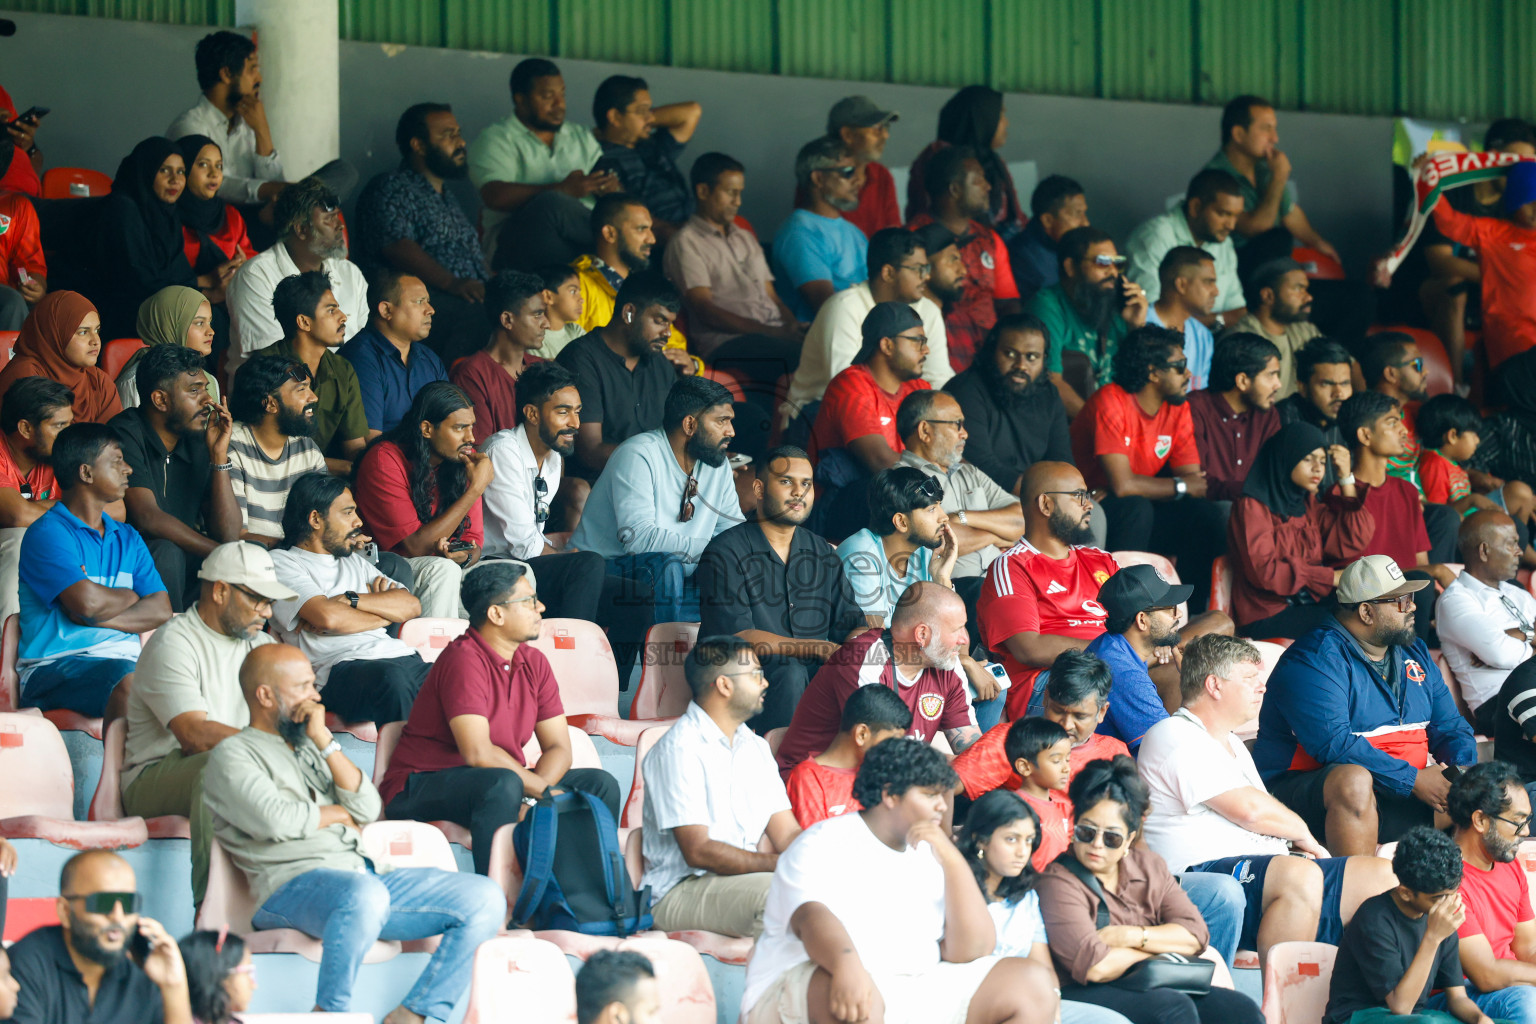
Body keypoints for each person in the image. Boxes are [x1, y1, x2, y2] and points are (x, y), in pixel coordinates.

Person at [201, 643, 504, 1018]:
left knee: (485, 897)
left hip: (364, 878)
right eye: (303, 687)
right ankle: (331, 1013)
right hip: (289, 889)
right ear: (264, 695)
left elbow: (367, 808)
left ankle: (416, 1011)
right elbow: (277, 821)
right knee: (364, 895)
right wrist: (337, 813)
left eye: (314, 685)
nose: (315, 697)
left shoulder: (311, 746)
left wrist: (325, 742)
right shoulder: (233, 754)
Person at [745, 736, 1058, 1024]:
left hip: (909, 986)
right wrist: (846, 966)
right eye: (930, 794)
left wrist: (951, 858)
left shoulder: (931, 854)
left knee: (1032, 985)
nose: (942, 805)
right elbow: (809, 917)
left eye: (942, 795)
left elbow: (972, 949)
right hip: (813, 984)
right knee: (860, 999)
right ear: (890, 795)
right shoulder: (822, 842)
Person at [1140, 633, 1399, 963]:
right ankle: (1283, 991)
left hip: (1262, 873)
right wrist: (1304, 835)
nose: (1261, 687)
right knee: (1299, 875)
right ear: (1214, 685)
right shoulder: (1174, 734)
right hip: (1201, 880)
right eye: (1250, 678)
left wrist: (1295, 847)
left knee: (1383, 877)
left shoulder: (1233, 743)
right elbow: (1250, 810)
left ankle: (1351, 990)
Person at [381, 561, 621, 873]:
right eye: (529, 601)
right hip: (421, 784)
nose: (541, 608)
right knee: (502, 784)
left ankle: (585, 894)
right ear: (496, 614)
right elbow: (478, 753)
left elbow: (559, 747)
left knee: (599, 784)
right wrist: (541, 791)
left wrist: (535, 795)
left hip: (499, 781)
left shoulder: (534, 662)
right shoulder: (463, 660)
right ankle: (500, 895)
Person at [1254, 555, 1478, 855]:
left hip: (1392, 788)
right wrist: (1413, 779)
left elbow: (1449, 726)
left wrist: (1461, 773)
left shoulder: (1414, 651)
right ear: (1366, 612)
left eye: (1410, 599)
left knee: (1486, 794)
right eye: (1401, 602)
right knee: (1354, 781)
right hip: (1308, 794)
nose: (1412, 607)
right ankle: (1355, 881)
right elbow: (1333, 744)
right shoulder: (1313, 659)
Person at [120, 542, 290, 907]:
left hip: (239, 767)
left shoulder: (262, 645)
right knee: (220, 766)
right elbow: (194, 736)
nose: (267, 611)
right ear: (220, 590)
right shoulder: (174, 641)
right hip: (155, 776)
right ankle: (212, 911)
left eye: (270, 602)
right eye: (258, 599)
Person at [1035, 756, 1265, 1024]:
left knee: (1239, 1009)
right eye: (1087, 832)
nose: (1097, 844)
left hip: (1148, 979)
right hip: (1081, 989)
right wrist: (1161, 950)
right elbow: (1095, 966)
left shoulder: (1148, 867)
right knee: (1171, 1009)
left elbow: (1195, 935)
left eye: (1111, 838)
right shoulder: (1058, 881)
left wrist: (1129, 936)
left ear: (1129, 839)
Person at [696, 444, 870, 731]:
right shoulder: (725, 551)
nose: (798, 492)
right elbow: (738, 638)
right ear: (759, 489)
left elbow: (851, 622)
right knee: (789, 671)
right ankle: (785, 758)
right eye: (786, 481)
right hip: (738, 679)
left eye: (806, 484)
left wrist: (861, 645)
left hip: (807, 675)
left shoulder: (821, 552)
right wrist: (816, 647)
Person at [642, 636, 801, 937]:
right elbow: (699, 851)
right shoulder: (679, 749)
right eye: (756, 675)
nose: (765, 683)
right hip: (678, 891)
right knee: (785, 897)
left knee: (830, 887)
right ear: (725, 685)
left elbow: (788, 833)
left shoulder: (756, 747)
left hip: (740, 881)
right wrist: (779, 864)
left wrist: (818, 858)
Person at [17, 423, 171, 722]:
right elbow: (86, 603)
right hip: (55, 667)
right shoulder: (48, 533)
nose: (128, 469)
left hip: (125, 663)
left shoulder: (128, 537)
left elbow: (161, 609)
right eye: (117, 461)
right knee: (130, 683)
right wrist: (130, 596)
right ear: (86, 473)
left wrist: (100, 616)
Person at [1069, 325, 1224, 612]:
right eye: (1180, 366)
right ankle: (1122, 611)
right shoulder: (1111, 400)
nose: (1188, 374)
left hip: (1135, 502)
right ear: (1153, 372)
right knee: (1136, 508)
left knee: (1206, 516)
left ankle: (1189, 612)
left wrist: (1145, 486)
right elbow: (1124, 485)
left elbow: (1196, 483)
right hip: (1089, 504)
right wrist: (1176, 486)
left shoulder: (1177, 407)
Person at [569, 376, 736, 626]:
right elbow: (639, 539)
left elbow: (732, 532)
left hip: (677, 578)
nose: (731, 431)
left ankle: (717, 649)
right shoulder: (638, 454)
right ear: (690, 424)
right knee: (667, 566)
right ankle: (662, 649)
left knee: (744, 569)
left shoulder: (717, 464)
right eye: (722, 421)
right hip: (605, 572)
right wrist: (716, 552)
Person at [959, 790, 1135, 1024]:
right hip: (971, 1004)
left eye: (1029, 840)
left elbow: (1043, 967)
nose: (1022, 851)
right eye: (1011, 839)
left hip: (1033, 1003)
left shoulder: (1026, 897)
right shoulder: (955, 889)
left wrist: (1053, 1011)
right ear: (981, 839)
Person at [774, 581, 982, 775]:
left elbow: (972, 752)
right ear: (922, 635)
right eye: (956, 630)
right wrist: (949, 763)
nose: (965, 639)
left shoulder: (947, 664)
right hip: (814, 781)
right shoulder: (864, 661)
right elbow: (881, 762)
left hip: (887, 782)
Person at [270, 472, 427, 725]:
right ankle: (408, 753)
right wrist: (385, 615)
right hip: (340, 669)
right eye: (348, 512)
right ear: (315, 519)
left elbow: (411, 606)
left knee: (458, 676)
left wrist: (352, 599)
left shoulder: (353, 561)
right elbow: (328, 617)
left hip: (400, 657)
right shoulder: (282, 562)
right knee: (394, 681)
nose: (358, 521)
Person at [977, 460, 1122, 718]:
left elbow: (1138, 624)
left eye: (1088, 495)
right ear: (1045, 504)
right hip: (1048, 684)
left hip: (1111, 670)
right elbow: (1029, 648)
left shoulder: (1102, 561)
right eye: (1078, 496)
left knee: (1182, 669)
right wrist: (1116, 654)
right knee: (1126, 679)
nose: (1089, 505)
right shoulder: (1012, 566)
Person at [780, 227, 951, 436]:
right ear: (888, 273)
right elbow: (846, 386)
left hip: (896, 410)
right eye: (918, 269)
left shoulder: (928, 310)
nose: (927, 277)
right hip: (817, 414)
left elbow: (938, 378)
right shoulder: (844, 307)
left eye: (927, 268)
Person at [108, 345, 240, 611]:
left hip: (183, 562)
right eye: (194, 391)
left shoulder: (198, 438)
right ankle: (166, 636)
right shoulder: (125, 432)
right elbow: (147, 518)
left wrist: (218, 456)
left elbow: (228, 534)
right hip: (131, 563)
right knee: (167, 551)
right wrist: (220, 553)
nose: (207, 400)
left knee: (251, 557)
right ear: (160, 400)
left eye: (205, 389)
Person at [353, 102, 487, 364]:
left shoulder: (448, 196)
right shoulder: (391, 186)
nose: (460, 142)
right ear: (419, 145)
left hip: (468, 293)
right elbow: (397, 246)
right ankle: (450, 387)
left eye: (458, 134)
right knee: (479, 316)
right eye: (448, 135)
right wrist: (452, 283)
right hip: (426, 300)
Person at [478, 360, 611, 620]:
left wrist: (564, 555)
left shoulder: (553, 457)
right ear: (532, 414)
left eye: (578, 411)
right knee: (587, 565)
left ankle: (598, 649)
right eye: (563, 412)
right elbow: (523, 544)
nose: (575, 423)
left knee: (636, 594)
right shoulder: (502, 451)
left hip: (527, 563)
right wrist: (565, 558)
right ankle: (571, 644)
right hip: (495, 566)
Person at [166, 31, 354, 211]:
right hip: (220, 220)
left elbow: (275, 181)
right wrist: (277, 190)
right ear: (226, 74)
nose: (259, 78)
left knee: (344, 171)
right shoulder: (189, 127)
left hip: (263, 216)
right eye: (252, 69)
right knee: (303, 203)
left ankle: (306, 202)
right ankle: (307, 202)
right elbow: (216, 186)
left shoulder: (247, 123)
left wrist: (262, 131)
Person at [1323, 826, 1488, 1024]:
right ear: (1406, 893)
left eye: (1453, 893)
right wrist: (1433, 937)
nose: (1449, 903)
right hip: (1357, 1017)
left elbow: (1458, 998)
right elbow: (1401, 1006)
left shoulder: (1440, 916)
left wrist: (1479, 1018)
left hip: (1413, 1018)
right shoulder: (1374, 918)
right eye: (1440, 897)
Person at [5, 851, 192, 1024]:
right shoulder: (27, 964)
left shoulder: (139, 974)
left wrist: (174, 987)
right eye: (104, 903)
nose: (117, 917)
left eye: (128, 903)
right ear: (65, 911)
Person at [354, 381, 489, 620]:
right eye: (459, 428)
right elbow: (416, 547)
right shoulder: (384, 459)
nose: (470, 438)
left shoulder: (462, 463)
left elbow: (473, 542)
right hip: (385, 569)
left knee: (517, 572)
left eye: (471, 427)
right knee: (443, 570)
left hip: (442, 566)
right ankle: (434, 646)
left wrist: (465, 555)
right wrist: (475, 489)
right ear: (427, 429)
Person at [1227, 422, 1374, 638]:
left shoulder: (1307, 503)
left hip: (1307, 603)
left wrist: (1345, 478)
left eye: (1322, 461)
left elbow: (1354, 537)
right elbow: (1264, 572)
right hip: (1266, 615)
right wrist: (1329, 577)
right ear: (1286, 458)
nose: (1318, 468)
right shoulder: (1251, 506)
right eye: (1308, 459)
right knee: (1349, 625)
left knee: (1374, 610)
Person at [664, 151, 805, 377]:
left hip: (772, 332)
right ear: (703, 191)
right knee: (804, 358)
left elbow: (773, 297)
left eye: (740, 193)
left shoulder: (744, 236)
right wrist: (772, 332)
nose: (737, 202)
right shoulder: (686, 242)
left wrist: (792, 327)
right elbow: (705, 310)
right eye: (731, 193)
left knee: (829, 345)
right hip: (728, 343)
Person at [470, 58, 614, 270]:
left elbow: (606, 179)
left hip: (581, 246)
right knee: (552, 204)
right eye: (547, 96)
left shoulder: (580, 136)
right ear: (520, 99)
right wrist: (562, 189)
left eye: (562, 94)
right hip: (517, 248)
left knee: (623, 212)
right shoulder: (496, 139)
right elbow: (495, 196)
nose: (559, 104)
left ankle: (615, 251)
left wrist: (611, 190)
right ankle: (616, 244)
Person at [806, 302, 931, 540]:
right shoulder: (852, 384)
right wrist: (940, 482)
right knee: (889, 491)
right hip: (839, 505)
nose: (926, 350)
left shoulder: (917, 387)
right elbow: (879, 461)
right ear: (887, 345)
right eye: (918, 341)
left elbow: (943, 445)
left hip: (902, 497)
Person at [1336, 390, 1456, 636]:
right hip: (1369, 606)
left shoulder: (1407, 491)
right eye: (1392, 423)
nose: (1403, 431)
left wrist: (1432, 574)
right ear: (1365, 435)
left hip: (1411, 600)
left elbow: (1420, 564)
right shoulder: (1342, 496)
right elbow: (1358, 580)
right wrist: (1434, 572)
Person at [556, 270, 692, 477]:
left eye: (670, 324)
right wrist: (666, 461)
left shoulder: (659, 363)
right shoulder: (580, 359)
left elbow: (680, 433)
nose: (668, 333)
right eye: (660, 321)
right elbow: (590, 451)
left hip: (660, 478)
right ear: (629, 313)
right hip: (604, 482)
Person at [897, 388, 1025, 604]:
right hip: (954, 592)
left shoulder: (969, 472)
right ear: (925, 430)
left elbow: (1021, 519)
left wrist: (962, 517)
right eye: (957, 424)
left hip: (1003, 582)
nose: (964, 433)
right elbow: (940, 542)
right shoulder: (902, 478)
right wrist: (997, 536)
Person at [951, 648, 1131, 800]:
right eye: (1058, 711)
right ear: (1045, 698)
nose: (1067, 725)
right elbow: (946, 787)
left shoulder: (1115, 754)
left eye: (1080, 716)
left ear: (1102, 712)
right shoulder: (1009, 741)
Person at [228, 179, 367, 373]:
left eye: (337, 217)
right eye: (329, 219)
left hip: (345, 384)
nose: (340, 226)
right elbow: (274, 363)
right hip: (280, 386)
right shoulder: (256, 276)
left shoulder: (349, 273)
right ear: (301, 229)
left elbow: (364, 347)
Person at [908, 145, 1022, 371]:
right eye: (979, 180)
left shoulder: (990, 239)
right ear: (955, 189)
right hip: (939, 352)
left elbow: (1008, 302)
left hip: (991, 354)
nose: (988, 186)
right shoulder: (913, 240)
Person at [1439, 762, 1536, 1021]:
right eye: (1518, 822)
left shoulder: (1509, 865)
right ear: (1480, 820)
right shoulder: (1446, 879)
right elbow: (1485, 974)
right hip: (1459, 995)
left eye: (1527, 821)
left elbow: (1529, 947)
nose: (1526, 831)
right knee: (1528, 1002)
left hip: (1513, 984)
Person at [247, 270, 370, 473]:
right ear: (304, 322)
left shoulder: (343, 370)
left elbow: (354, 446)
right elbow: (255, 449)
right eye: (331, 311)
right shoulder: (262, 367)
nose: (343, 317)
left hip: (324, 479)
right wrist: (342, 467)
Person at [944, 314, 1075, 500]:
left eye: (1031, 357)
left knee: (1093, 512)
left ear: (1044, 359)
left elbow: (1062, 460)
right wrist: (1044, 499)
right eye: (1010, 354)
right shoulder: (965, 390)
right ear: (992, 351)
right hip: (981, 495)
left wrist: (1064, 496)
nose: (1021, 366)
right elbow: (978, 465)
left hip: (1038, 495)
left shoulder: (1049, 395)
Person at [1206, 96, 1339, 272]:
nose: (1274, 138)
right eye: (1266, 129)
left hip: (1266, 266)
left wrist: (1318, 242)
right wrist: (1279, 176)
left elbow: (1289, 213)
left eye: (1274, 129)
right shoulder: (1214, 176)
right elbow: (1258, 229)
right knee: (1279, 238)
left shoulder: (1263, 168)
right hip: (1232, 267)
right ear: (1238, 134)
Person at [1028, 226, 1149, 416]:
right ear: (1070, 267)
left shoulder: (1117, 307)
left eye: (1117, 263)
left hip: (1117, 420)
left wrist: (1136, 327)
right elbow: (1050, 380)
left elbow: (1144, 380)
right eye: (1103, 263)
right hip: (1070, 424)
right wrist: (1099, 424)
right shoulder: (1047, 305)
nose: (1113, 272)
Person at [1431, 159, 1536, 370]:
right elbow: (1448, 221)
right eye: (1530, 200)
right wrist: (1430, 180)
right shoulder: (1493, 232)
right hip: (1510, 338)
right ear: (1516, 201)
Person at [1437, 512, 1536, 733]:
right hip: (1500, 702)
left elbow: (1504, 652)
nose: (1520, 551)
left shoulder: (1517, 593)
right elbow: (1501, 654)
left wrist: (1520, 634)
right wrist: (1530, 634)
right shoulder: (1456, 600)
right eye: (1511, 544)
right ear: (1484, 551)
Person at [1082, 563, 1196, 753]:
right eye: (1170, 608)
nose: (1179, 614)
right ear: (1142, 620)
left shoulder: (1112, 646)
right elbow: (1171, 750)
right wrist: (1195, 686)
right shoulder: (1124, 674)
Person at [569, 194, 693, 367]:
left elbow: (674, 345)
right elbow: (568, 352)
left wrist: (692, 365)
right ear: (610, 233)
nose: (652, 239)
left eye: (650, 229)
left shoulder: (644, 287)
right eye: (641, 229)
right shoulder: (576, 286)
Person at [95, 138, 199, 338]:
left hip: (155, 303)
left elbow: (180, 274)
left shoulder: (168, 213)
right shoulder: (122, 208)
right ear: (146, 171)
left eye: (180, 171)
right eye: (164, 170)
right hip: (121, 312)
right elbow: (137, 281)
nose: (175, 180)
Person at [836, 466, 960, 627]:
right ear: (901, 522)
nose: (944, 517)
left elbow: (951, 630)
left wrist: (942, 578)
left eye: (939, 506)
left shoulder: (925, 554)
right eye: (931, 509)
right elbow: (873, 637)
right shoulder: (861, 556)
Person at [0, 376, 78, 623]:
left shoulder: (61, 451)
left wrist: (35, 508)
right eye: (59, 426)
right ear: (25, 429)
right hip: (9, 549)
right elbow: (17, 516)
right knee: (19, 538)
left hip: (46, 548)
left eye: (70, 424)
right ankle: (6, 640)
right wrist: (75, 506)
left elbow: (116, 509)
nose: (68, 434)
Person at [225, 355, 326, 547]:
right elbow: (237, 535)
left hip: (300, 555)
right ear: (270, 404)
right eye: (301, 389)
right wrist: (296, 549)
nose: (313, 397)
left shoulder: (307, 448)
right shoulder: (232, 446)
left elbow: (326, 517)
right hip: (254, 558)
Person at [1126, 170, 1246, 325]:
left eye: (1236, 216)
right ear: (1195, 207)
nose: (1231, 225)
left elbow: (1236, 310)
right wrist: (1219, 320)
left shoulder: (1224, 243)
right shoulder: (1156, 235)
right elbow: (1151, 314)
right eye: (1223, 214)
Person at [906, 85, 1027, 239]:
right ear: (982, 117)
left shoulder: (994, 161)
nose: (1006, 122)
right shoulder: (939, 159)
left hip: (996, 244)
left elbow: (1016, 217)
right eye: (1001, 114)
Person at [786, 681, 911, 828]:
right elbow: (815, 838)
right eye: (891, 742)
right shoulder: (809, 778)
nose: (895, 751)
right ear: (862, 734)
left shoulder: (878, 775)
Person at [772, 136, 869, 322]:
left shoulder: (853, 231)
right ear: (818, 178)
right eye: (848, 172)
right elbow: (828, 307)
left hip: (865, 326)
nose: (858, 180)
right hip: (829, 332)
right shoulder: (800, 232)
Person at [339, 268, 448, 432]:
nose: (430, 310)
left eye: (428, 301)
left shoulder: (430, 359)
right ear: (386, 310)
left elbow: (451, 423)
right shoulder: (360, 357)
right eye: (419, 301)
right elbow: (370, 441)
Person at [591, 76, 700, 239]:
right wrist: (681, 233)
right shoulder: (603, 159)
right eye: (642, 111)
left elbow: (692, 112)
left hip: (697, 225)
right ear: (615, 117)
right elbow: (631, 219)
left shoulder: (652, 144)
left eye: (651, 110)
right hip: (669, 237)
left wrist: (643, 120)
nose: (650, 117)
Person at [450, 269, 548, 440]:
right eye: (537, 314)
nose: (546, 323)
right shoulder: (472, 374)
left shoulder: (543, 368)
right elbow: (481, 448)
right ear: (507, 320)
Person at [1187, 331, 1283, 504]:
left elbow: (1275, 474)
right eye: (1271, 375)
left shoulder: (1267, 415)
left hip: (1254, 510)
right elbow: (1196, 482)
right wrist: (1250, 491)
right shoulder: (1195, 408)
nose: (1278, 384)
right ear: (1242, 381)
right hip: (1204, 510)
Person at [0, 291, 120, 425]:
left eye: (97, 330)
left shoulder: (99, 382)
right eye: (83, 332)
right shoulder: (26, 376)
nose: (95, 341)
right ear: (54, 335)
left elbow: (112, 436)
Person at [1418, 395, 1536, 529]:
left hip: (1470, 519)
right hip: (1461, 528)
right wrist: (1471, 500)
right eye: (1473, 434)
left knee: (1521, 496)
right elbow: (1439, 514)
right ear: (1453, 436)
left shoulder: (1454, 463)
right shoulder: (1434, 464)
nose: (1478, 440)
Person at [173, 135, 253, 315]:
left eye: (219, 166)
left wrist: (242, 268)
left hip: (233, 306)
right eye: (203, 164)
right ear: (183, 168)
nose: (214, 173)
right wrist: (208, 282)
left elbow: (249, 257)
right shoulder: (168, 217)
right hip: (182, 310)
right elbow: (162, 280)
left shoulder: (230, 215)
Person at [1221, 258, 1321, 398]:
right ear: (1268, 295)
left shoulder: (1305, 330)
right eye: (1298, 288)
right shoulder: (1240, 340)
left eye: (1306, 289)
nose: (1308, 297)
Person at [117, 285, 219, 411]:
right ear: (169, 326)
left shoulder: (210, 381)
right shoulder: (135, 382)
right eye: (199, 323)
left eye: (210, 322)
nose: (211, 331)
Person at [1277, 335, 1354, 487]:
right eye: (1327, 384)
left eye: (1345, 383)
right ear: (1303, 387)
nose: (1339, 393)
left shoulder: (1353, 421)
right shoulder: (1280, 420)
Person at [1001, 717, 1077, 871]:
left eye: (1067, 759)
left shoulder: (1066, 810)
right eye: (1057, 761)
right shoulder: (1012, 809)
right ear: (1024, 767)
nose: (1067, 768)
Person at [824, 95, 902, 238]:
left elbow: (894, 235)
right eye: (877, 129)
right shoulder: (824, 177)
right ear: (848, 135)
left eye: (886, 127)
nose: (885, 135)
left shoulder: (881, 174)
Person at [1144, 246, 1218, 390]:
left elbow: (1198, 396)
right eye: (1208, 282)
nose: (1216, 291)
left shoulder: (1203, 336)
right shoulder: (1139, 322)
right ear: (1181, 285)